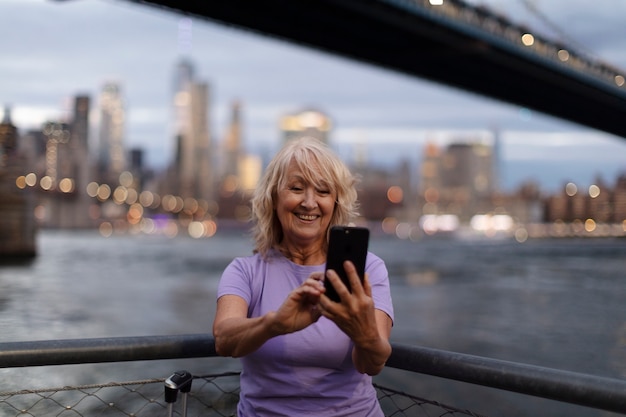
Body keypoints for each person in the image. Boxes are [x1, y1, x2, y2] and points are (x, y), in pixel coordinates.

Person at [213, 137, 394, 416]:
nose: (309, 203)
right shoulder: (244, 270)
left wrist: (363, 332)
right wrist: (275, 324)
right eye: (296, 188)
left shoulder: (368, 270)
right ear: (274, 198)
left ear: (335, 202)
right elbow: (224, 340)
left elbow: (372, 364)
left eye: (323, 191)